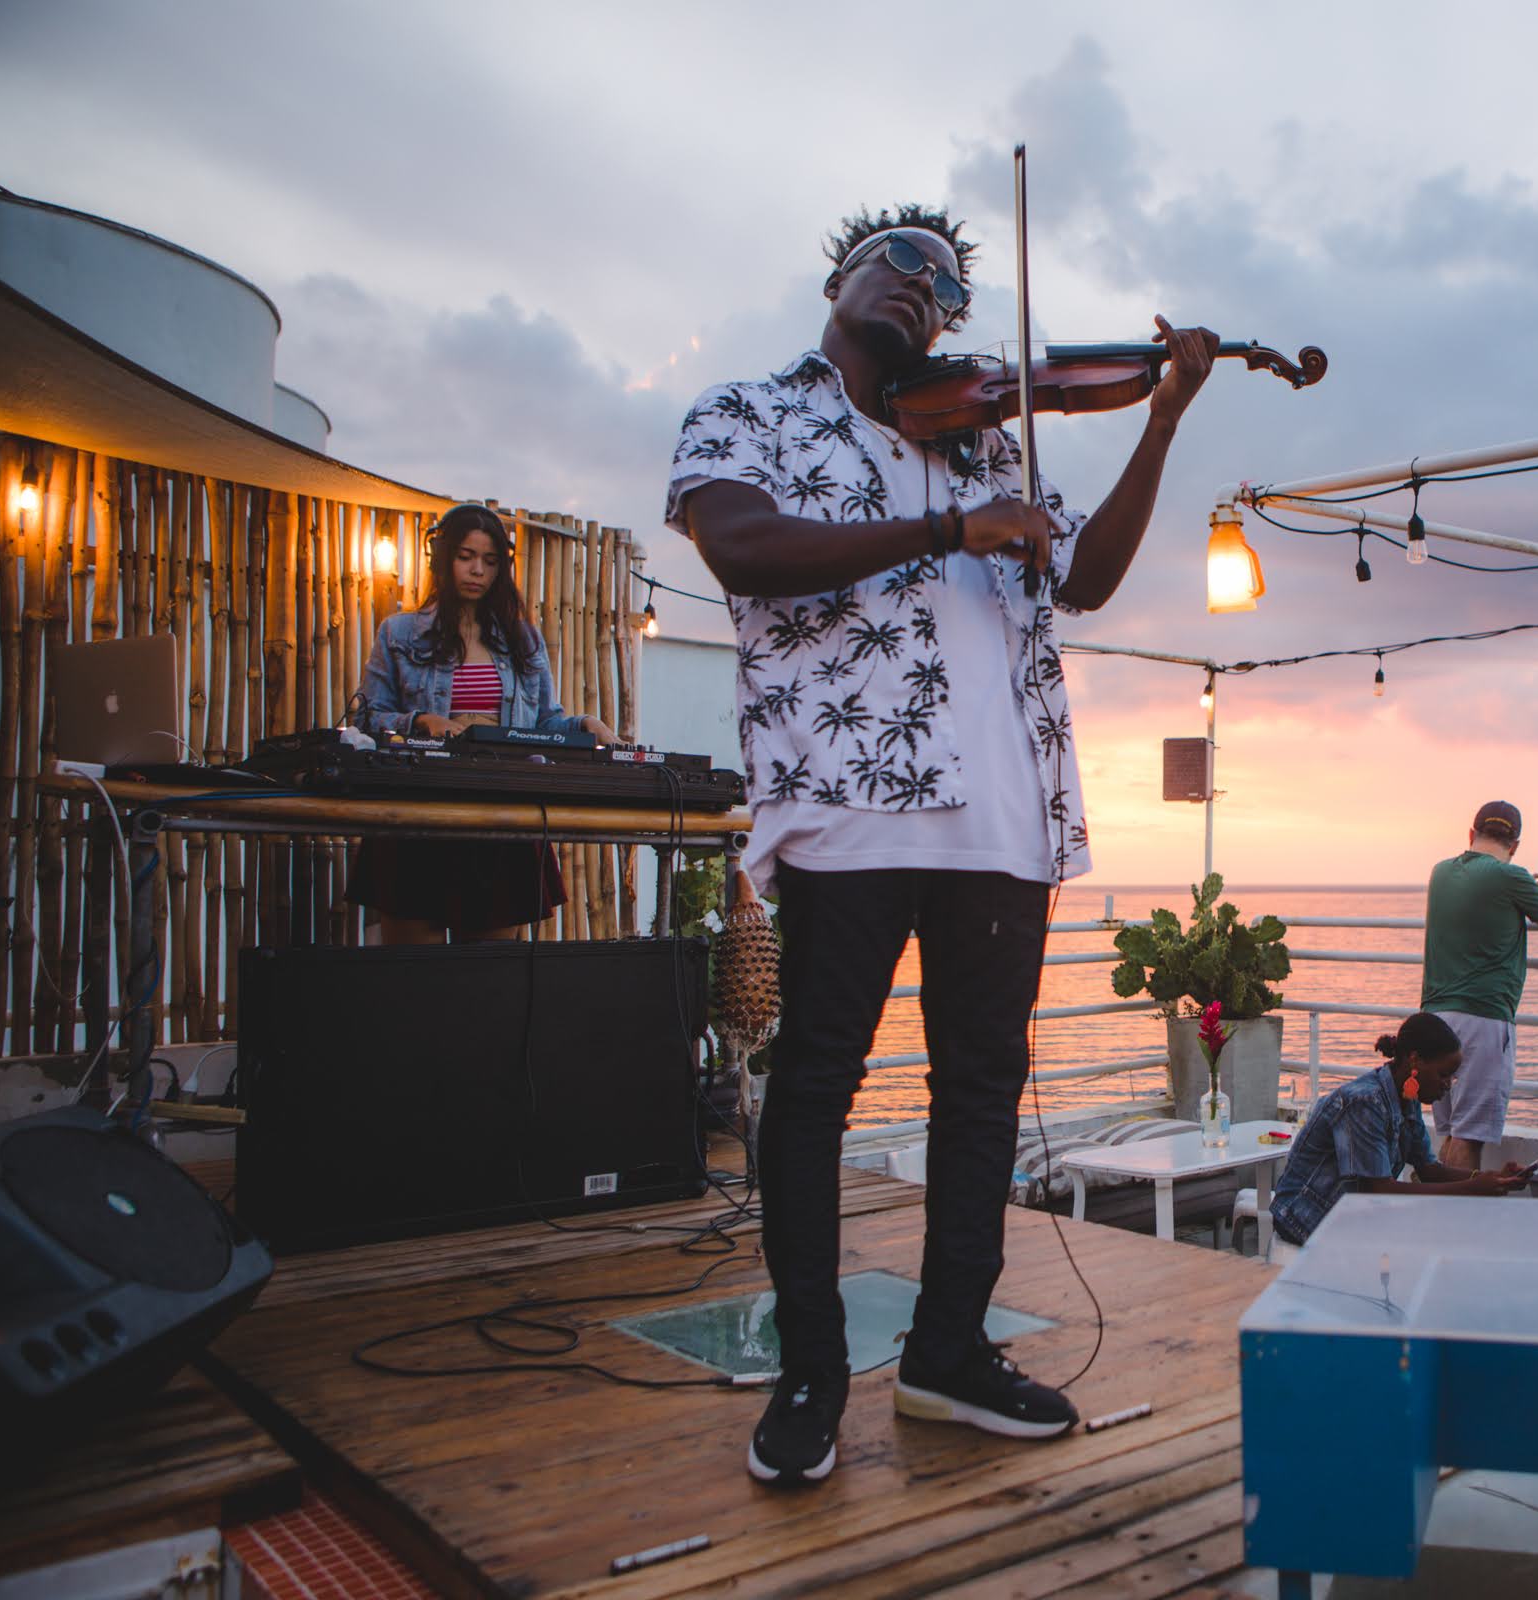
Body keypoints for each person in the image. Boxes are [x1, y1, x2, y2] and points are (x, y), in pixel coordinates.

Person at [667, 204, 1225, 1488]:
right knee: (818, 1082)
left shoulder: (990, 439)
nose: (929, 289)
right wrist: (941, 533)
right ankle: (813, 1370)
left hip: (1003, 817)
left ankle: (947, 1354)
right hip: (848, 803)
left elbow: (1082, 579)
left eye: (952, 284)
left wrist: (1162, 418)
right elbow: (746, 551)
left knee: (982, 1089)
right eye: (906, 263)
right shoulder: (750, 409)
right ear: (845, 276)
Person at [350, 503, 617, 944]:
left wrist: (586, 724)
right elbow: (366, 718)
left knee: (488, 984)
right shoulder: (397, 634)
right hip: (419, 815)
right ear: (442, 558)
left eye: (490, 561)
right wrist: (424, 721)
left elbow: (545, 721)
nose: (477, 571)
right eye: (465, 557)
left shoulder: (522, 640)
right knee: (412, 978)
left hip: (499, 815)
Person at [1270, 1012, 1530, 1250]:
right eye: (1443, 1074)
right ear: (1415, 1060)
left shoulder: (1407, 1098)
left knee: (1444, 1240)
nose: (1448, 1085)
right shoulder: (1364, 1103)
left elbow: (1428, 1170)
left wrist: (1491, 1178)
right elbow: (1381, 1189)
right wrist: (1472, 1187)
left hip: (1350, 1215)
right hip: (1306, 1217)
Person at [1419, 801, 1538, 1171]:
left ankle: (1438, 1215)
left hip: (1434, 1018)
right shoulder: (1512, 877)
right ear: (1515, 845)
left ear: (1471, 834)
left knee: (1450, 1132)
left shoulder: (1439, 873)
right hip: (1483, 1018)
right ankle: (1460, 1224)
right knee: (1468, 1137)